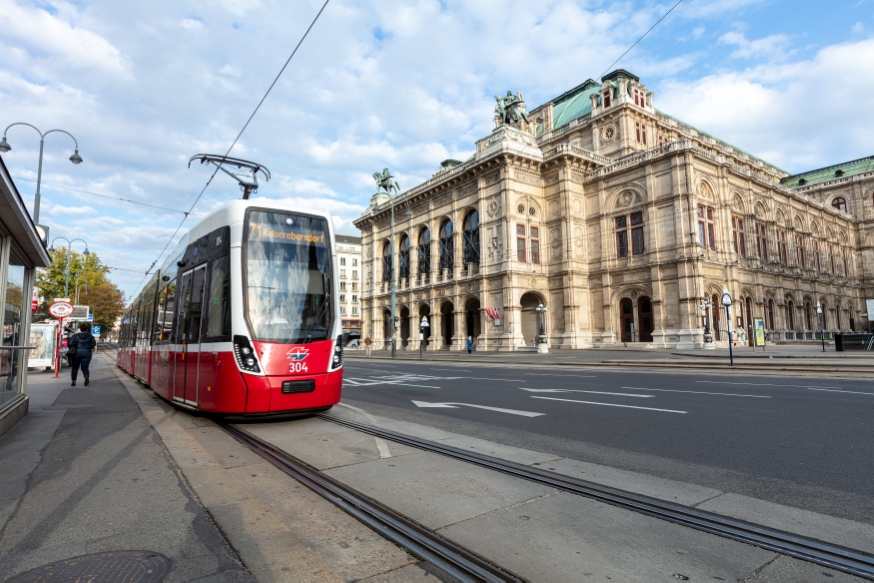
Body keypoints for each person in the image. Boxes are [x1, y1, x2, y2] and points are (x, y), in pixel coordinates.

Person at [68, 322, 97, 386]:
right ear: (87, 330)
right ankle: (86, 376)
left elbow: (70, 344)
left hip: (76, 353)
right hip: (87, 353)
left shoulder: (75, 336)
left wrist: (74, 347)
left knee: (75, 368)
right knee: (85, 367)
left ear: (80, 329)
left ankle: (73, 381)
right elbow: (93, 344)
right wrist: (88, 347)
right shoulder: (90, 336)